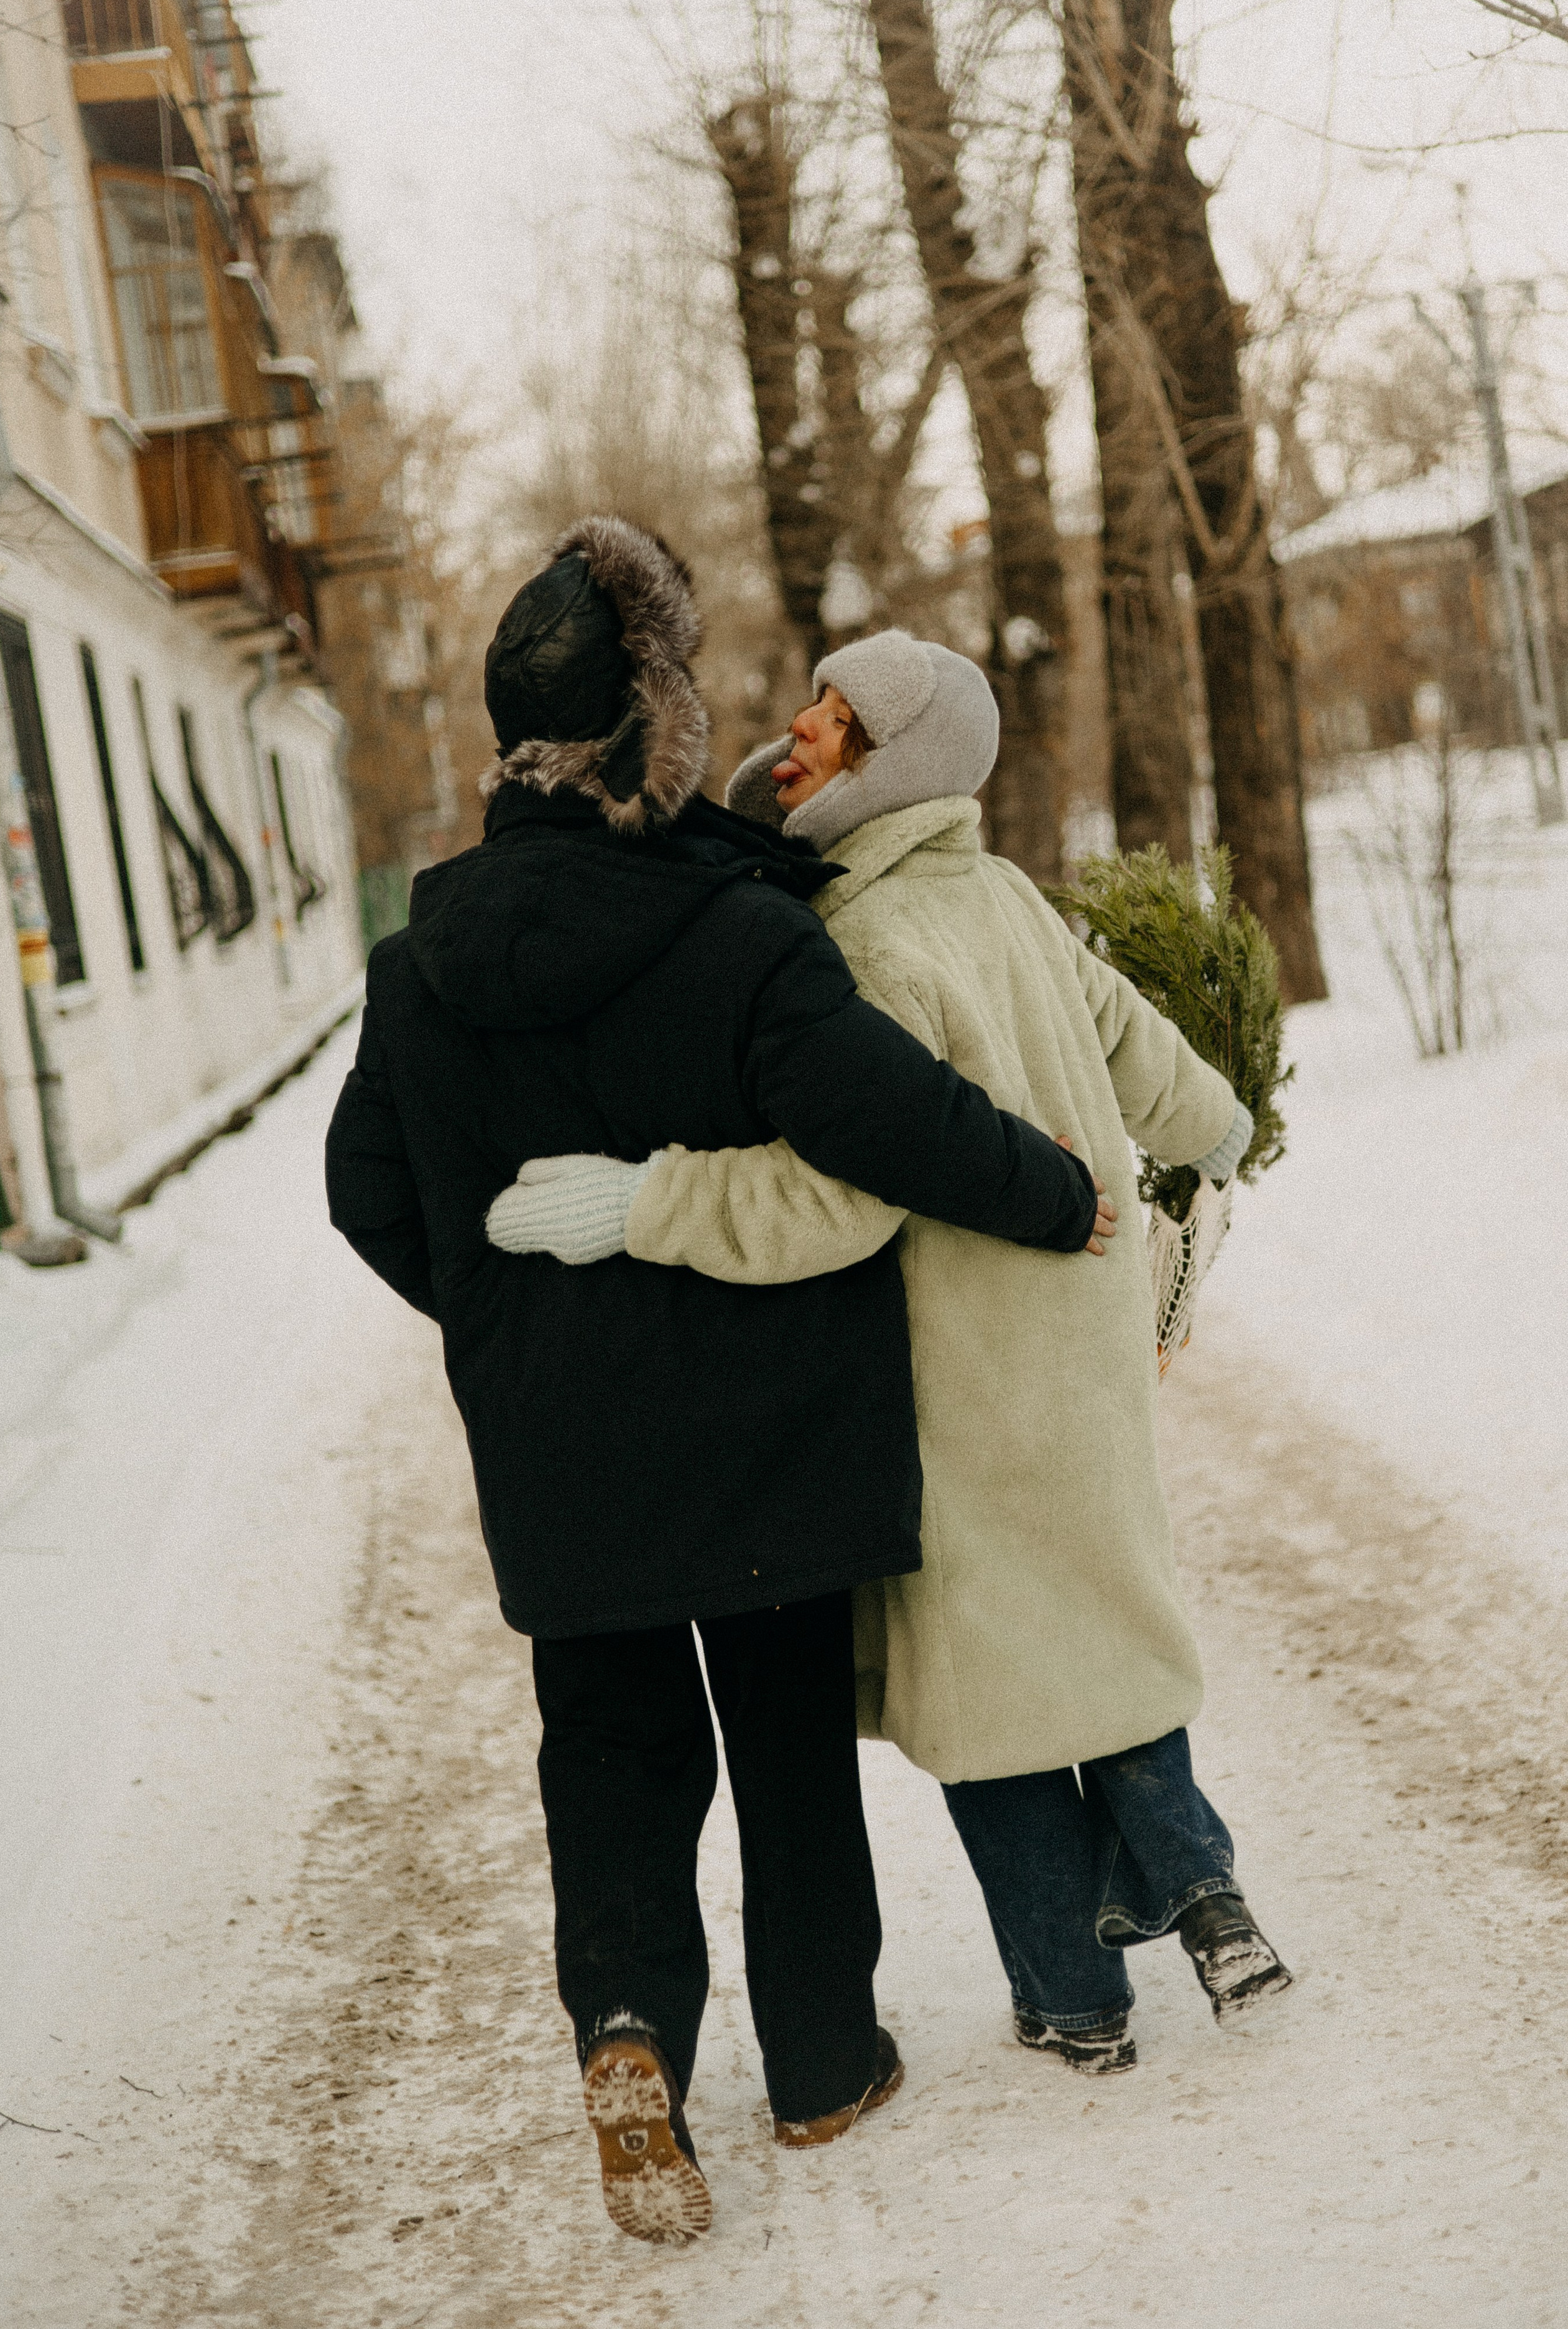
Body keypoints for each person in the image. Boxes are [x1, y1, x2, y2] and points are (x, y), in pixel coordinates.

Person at [324, 524, 1113, 2248]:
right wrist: (1062, 1194)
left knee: (607, 1756)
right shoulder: (744, 928)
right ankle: (826, 2062)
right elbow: (892, 1121)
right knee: (782, 1748)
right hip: (773, 1434)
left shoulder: (421, 970)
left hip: (565, 1462)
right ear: (662, 731)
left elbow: (370, 1194)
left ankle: (629, 2042)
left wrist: (504, 1330)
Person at [487, 626, 1292, 2085]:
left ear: (897, 756)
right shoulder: (1003, 896)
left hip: (950, 1363)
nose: (796, 723)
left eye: (834, 714)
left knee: (985, 1701)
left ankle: (1073, 1997)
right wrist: (1216, 1124)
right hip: (1084, 1334)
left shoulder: (857, 942)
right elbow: (1127, 1037)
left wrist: (649, 1202)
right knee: (1104, 1618)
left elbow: (840, 1191)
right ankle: (1200, 1885)